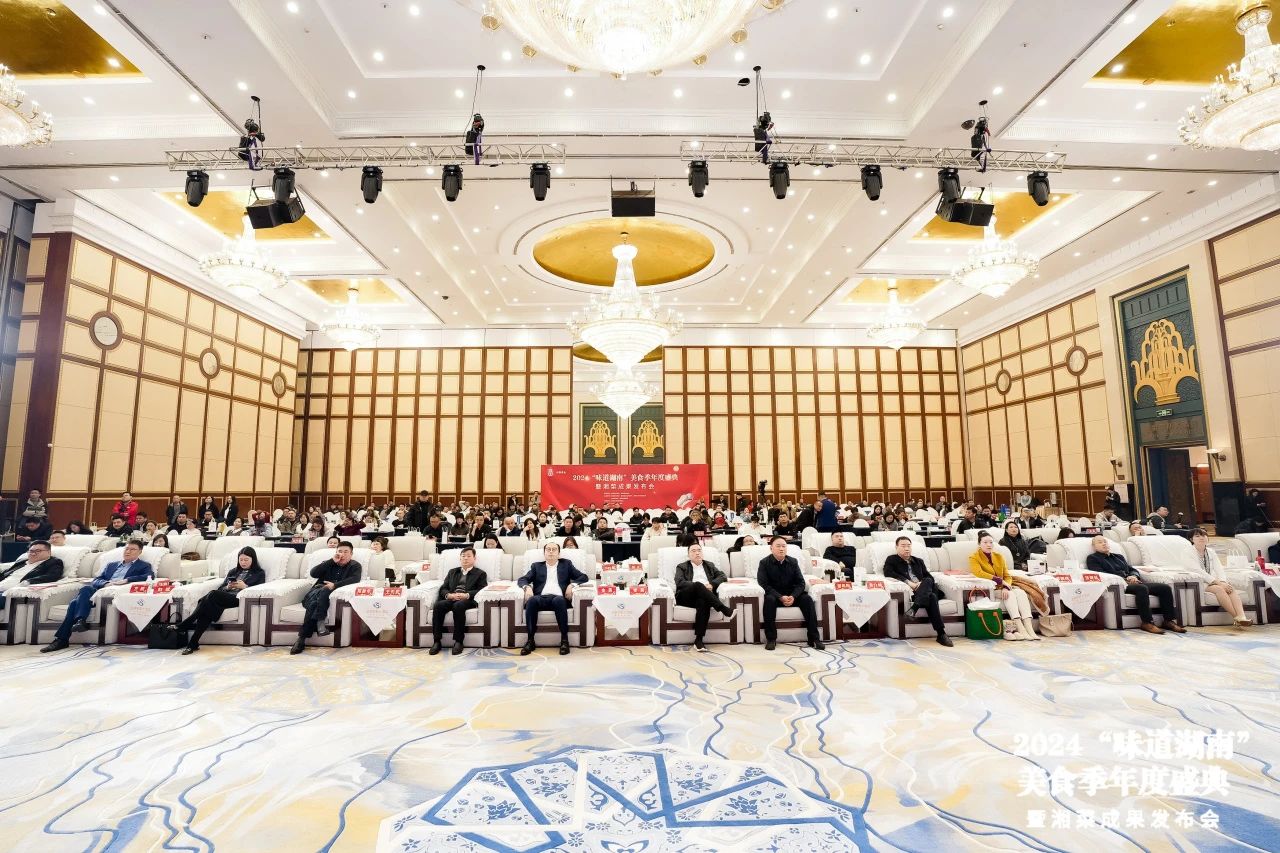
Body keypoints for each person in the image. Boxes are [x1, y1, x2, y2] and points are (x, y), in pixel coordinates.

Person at [42, 541, 153, 652]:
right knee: (86, 589)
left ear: (140, 552)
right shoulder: (112, 565)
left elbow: (149, 576)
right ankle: (79, 622)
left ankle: (63, 638)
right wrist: (106, 583)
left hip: (112, 594)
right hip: (99, 591)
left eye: (132, 549)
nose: (128, 551)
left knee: (74, 603)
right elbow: (96, 580)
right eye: (126, 549)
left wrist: (127, 580)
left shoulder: (143, 565)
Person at [1085, 535, 1186, 634]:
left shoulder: (1119, 556)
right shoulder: (1093, 558)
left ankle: (1168, 621)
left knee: (1164, 588)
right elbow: (1101, 574)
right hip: (1119, 585)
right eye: (1100, 542)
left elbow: (1132, 569)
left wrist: (1134, 576)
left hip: (1133, 582)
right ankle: (1147, 622)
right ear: (1094, 547)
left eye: (1105, 541)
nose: (1104, 543)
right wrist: (1126, 578)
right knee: (1141, 588)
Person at [175, 546, 265, 654]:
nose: (243, 562)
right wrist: (228, 587)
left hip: (239, 599)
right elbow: (221, 588)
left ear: (253, 559)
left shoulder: (259, 573)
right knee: (207, 609)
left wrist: (245, 586)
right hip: (225, 597)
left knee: (210, 596)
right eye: (241, 560)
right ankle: (192, 644)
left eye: (246, 560)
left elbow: (259, 590)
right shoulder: (233, 571)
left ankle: (186, 623)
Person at [517, 542, 588, 656]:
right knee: (531, 601)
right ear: (544, 553)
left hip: (559, 598)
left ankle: (564, 641)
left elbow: (583, 577)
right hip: (540, 598)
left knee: (558, 601)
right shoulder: (536, 566)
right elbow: (522, 579)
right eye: (548, 549)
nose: (551, 552)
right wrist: (527, 587)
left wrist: (572, 585)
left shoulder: (566, 564)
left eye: (554, 549)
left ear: (559, 554)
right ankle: (530, 641)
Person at [291, 542, 362, 654]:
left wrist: (334, 585)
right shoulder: (329, 563)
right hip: (314, 593)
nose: (342, 554)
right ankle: (320, 625)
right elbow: (313, 573)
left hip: (326, 597)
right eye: (340, 551)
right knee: (322, 592)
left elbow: (355, 579)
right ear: (336, 552)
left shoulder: (355, 565)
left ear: (351, 554)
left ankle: (301, 639)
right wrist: (331, 561)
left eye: (346, 552)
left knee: (316, 602)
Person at [882, 536, 953, 647]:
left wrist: (921, 584)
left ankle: (914, 608)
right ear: (896, 547)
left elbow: (929, 577)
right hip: (912, 592)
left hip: (923, 589)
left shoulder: (918, 561)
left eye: (909, 546)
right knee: (932, 596)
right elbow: (888, 573)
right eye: (903, 546)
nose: (907, 548)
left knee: (928, 582)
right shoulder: (892, 559)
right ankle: (941, 634)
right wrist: (909, 583)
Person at [969, 532, 1039, 641]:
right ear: (979, 544)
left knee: (1021, 593)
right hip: (992, 588)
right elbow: (978, 573)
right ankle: (1021, 628)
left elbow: (1007, 575)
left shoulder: (999, 556)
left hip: (1004, 587)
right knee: (1010, 595)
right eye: (985, 542)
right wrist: (1000, 581)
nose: (989, 545)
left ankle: (1029, 628)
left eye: (991, 542)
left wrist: (1006, 587)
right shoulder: (974, 557)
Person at [756, 536, 823, 650]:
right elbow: (764, 584)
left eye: (784, 546)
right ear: (771, 548)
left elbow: (801, 583)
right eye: (778, 546)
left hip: (792, 595)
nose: (781, 549)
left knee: (807, 599)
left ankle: (814, 638)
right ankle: (771, 639)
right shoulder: (764, 563)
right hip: (775, 596)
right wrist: (780, 597)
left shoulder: (793, 561)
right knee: (769, 600)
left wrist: (793, 596)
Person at [674, 543, 735, 652]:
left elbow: (722, 576)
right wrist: (698, 586)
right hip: (686, 597)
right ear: (688, 555)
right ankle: (723, 608)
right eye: (693, 551)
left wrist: (712, 584)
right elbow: (679, 582)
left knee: (703, 601)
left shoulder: (709, 565)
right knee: (698, 585)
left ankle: (699, 640)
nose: (697, 553)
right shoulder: (682, 566)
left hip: (705, 596)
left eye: (699, 550)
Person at [1185, 528, 1251, 627]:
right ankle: (1236, 617)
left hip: (1214, 581)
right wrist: (1219, 583)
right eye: (1197, 536)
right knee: (1219, 589)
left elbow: (1219, 568)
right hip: (1199, 581)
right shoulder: (1188, 552)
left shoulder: (1210, 551)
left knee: (1229, 588)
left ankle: (1242, 616)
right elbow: (1198, 571)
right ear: (1191, 539)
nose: (1201, 538)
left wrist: (1223, 581)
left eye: (1204, 535)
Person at [430, 546, 489, 654]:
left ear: (474, 558)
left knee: (458, 606)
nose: (465, 558)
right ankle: (437, 641)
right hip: (452, 598)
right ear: (460, 558)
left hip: (468, 600)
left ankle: (458, 641)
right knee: (438, 605)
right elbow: (443, 588)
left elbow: (481, 590)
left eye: (469, 556)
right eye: (463, 556)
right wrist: (449, 595)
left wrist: (466, 595)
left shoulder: (480, 574)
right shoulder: (452, 572)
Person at [0, 540, 64, 616]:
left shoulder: (54, 562)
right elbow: (5, 573)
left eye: (38, 551)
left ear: (48, 552)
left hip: (8, 592)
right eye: (31, 551)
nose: (33, 553)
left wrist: (28, 582)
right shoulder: (22, 561)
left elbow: (52, 575)